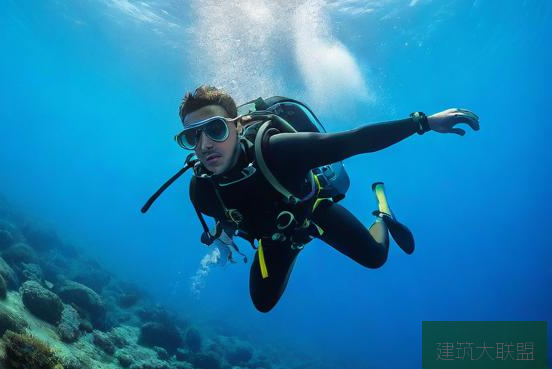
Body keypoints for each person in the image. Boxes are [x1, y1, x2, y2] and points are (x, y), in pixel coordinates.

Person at [175, 85, 480, 313]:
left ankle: (383, 216)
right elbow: (225, 216)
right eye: (192, 136)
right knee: (262, 303)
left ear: (237, 124)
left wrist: (423, 122)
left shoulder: (277, 151)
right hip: (277, 237)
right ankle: (294, 245)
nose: (204, 145)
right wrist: (224, 237)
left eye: (214, 129)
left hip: (313, 213)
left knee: (375, 258)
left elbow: (355, 139)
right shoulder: (200, 190)